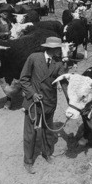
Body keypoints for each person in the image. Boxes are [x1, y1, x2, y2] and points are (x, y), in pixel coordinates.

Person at [20, 37, 69, 174]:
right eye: (59, 48)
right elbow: (23, 79)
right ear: (52, 48)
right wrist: (32, 94)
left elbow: (63, 82)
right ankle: (28, 161)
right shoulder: (34, 58)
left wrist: (71, 101)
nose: (60, 50)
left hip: (49, 101)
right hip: (33, 102)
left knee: (48, 130)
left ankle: (47, 153)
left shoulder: (58, 63)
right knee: (31, 133)